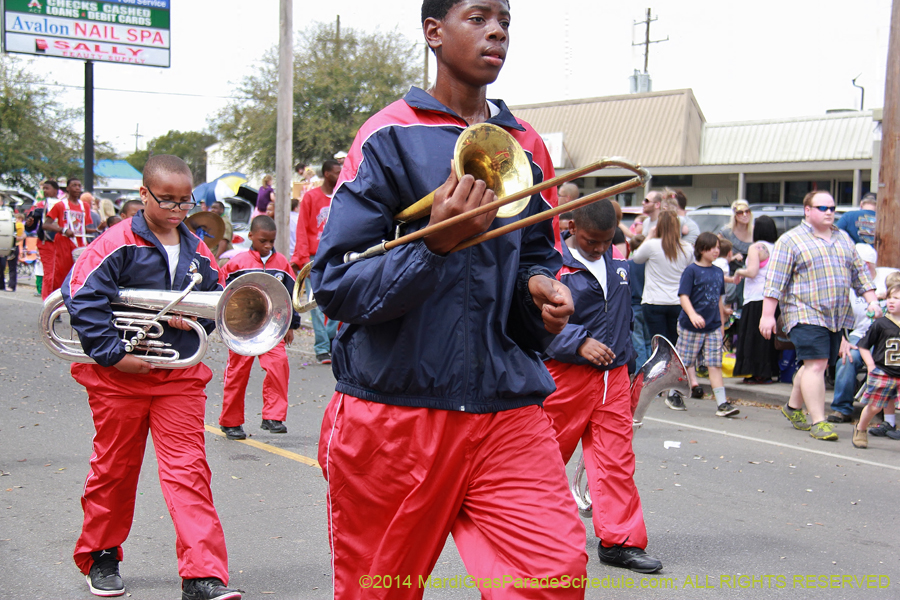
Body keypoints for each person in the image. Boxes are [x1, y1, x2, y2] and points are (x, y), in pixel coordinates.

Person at [309, 1, 588, 597]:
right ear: (433, 33)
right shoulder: (387, 134)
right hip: (395, 412)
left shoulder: (527, 144)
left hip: (507, 406)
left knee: (554, 578)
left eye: (505, 21)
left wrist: (539, 290)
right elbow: (335, 284)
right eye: (479, 17)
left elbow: (536, 254)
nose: (497, 32)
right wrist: (433, 247)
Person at [61, 155, 240, 600]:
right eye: (169, 201)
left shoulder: (199, 248)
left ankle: (202, 575)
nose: (180, 210)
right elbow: (81, 297)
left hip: (178, 375)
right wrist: (112, 355)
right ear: (144, 195)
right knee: (113, 470)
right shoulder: (115, 242)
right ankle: (101, 554)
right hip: (117, 378)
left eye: (186, 201)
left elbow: (214, 304)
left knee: (189, 471)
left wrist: (196, 320)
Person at [542, 200, 662, 574]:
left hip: (614, 377)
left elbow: (626, 317)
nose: (598, 248)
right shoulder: (549, 264)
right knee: (543, 459)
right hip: (564, 376)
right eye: (591, 240)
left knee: (616, 461)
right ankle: (534, 535)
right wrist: (578, 341)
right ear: (571, 225)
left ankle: (620, 541)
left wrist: (629, 363)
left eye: (605, 241)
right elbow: (531, 321)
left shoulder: (619, 264)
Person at [760, 191, 879, 442]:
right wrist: (768, 315)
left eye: (832, 208)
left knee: (815, 363)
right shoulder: (790, 240)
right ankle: (819, 421)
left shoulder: (843, 238)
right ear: (807, 210)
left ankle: (792, 408)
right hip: (804, 311)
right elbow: (774, 282)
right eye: (822, 207)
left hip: (836, 316)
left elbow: (860, 274)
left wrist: (873, 302)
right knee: (816, 364)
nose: (829, 212)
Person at [218, 216, 300, 440]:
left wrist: (291, 325)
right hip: (242, 329)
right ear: (251, 237)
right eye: (263, 240)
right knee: (237, 373)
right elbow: (221, 293)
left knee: (278, 365)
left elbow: (290, 294)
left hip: (272, 327)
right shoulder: (237, 263)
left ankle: (273, 417)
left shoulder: (281, 263)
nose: (268, 245)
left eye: (272, 241)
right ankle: (230, 422)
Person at [630, 210, 693, 409]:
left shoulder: (652, 245)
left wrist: (649, 235)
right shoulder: (686, 248)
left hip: (654, 301)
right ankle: (672, 390)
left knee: (656, 347)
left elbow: (635, 258)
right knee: (674, 346)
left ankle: (652, 384)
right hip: (676, 302)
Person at [675, 232, 739, 417]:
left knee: (714, 363)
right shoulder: (691, 271)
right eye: (712, 247)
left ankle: (722, 403)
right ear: (702, 249)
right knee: (684, 362)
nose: (716, 250)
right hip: (690, 326)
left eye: (718, 247)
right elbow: (683, 296)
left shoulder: (718, 272)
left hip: (712, 326)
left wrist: (721, 322)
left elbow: (719, 300)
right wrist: (693, 314)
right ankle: (673, 393)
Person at [290, 159, 342, 364]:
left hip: (337, 255)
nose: (341, 174)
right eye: (337, 172)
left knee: (339, 297)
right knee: (317, 302)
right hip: (315, 256)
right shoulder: (311, 197)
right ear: (327, 174)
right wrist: (303, 260)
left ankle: (331, 336)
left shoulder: (342, 195)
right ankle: (321, 346)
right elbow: (302, 228)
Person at [851, 284, 900, 448]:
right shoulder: (881, 324)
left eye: (897, 298)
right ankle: (861, 428)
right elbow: (863, 346)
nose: (891, 302)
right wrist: (871, 366)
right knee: (875, 407)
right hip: (883, 371)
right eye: (889, 298)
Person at [733, 215, 780, 384]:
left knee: (753, 335)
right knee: (767, 339)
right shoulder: (778, 247)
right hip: (773, 297)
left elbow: (752, 271)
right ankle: (768, 371)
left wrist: (739, 272)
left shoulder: (756, 247)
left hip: (755, 297)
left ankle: (754, 371)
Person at [43, 177, 95, 298]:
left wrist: (98, 228)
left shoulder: (85, 206)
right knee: (61, 274)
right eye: (74, 185)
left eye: (79, 185)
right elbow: (46, 225)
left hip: (80, 244)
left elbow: (82, 228)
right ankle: (56, 303)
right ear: (67, 188)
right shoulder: (60, 205)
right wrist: (63, 230)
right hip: (63, 244)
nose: (77, 188)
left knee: (80, 274)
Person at [628, 234, 651, 367]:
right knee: (649, 341)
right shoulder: (650, 264)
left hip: (634, 306)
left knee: (638, 343)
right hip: (648, 304)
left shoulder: (629, 264)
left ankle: (641, 374)